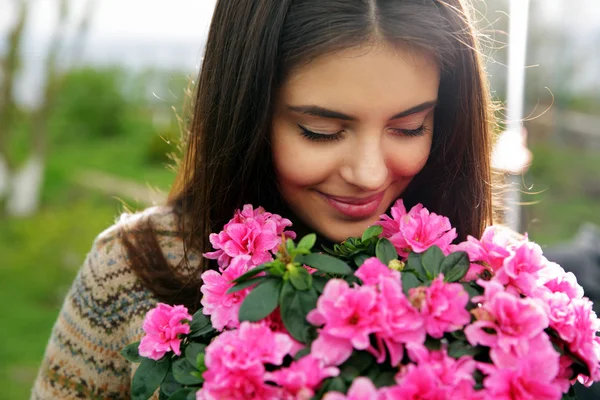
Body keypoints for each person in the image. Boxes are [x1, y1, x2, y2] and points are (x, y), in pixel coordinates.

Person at [31, 0, 495, 398]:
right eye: (321, 132)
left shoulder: (495, 286)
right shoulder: (129, 271)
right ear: (247, 113)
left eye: (409, 127)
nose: (369, 174)